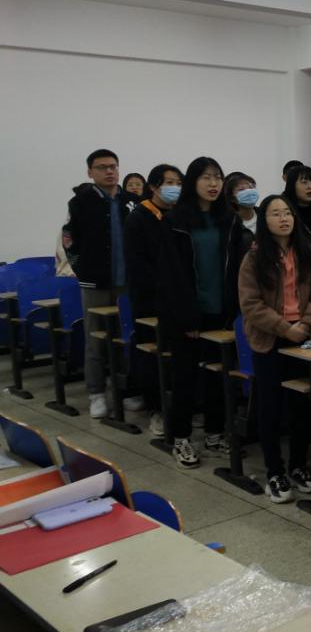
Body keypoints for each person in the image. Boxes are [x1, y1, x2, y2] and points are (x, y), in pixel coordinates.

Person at [238, 195, 311, 503]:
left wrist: (306, 323)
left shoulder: (309, 252)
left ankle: (298, 465)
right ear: (264, 220)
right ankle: (274, 471)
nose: (284, 219)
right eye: (276, 214)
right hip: (270, 338)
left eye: (288, 213)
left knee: (300, 404)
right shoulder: (254, 258)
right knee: (270, 406)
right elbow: (251, 304)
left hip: (304, 335)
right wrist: (284, 328)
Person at [155, 156, 245, 468]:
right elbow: (170, 276)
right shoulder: (174, 222)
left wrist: (234, 311)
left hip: (221, 312)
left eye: (218, 177)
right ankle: (180, 438)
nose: (213, 183)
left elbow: (237, 269)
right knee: (185, 377)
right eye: (206, 177)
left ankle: (214, 434)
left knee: (218, 377)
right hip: (187, 314)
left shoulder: (229, 220)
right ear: (192, 182)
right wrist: (186, 317)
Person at [65, 149, 142, 419]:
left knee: (126, 337)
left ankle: (126, 389)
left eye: (113, 166)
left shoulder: (132, 201)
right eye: (102, 167)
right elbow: (69, 241)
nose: (109, 171)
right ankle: (96, 393)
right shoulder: (80, 202)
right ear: (90, 172)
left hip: (127, 284)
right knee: (95, 339)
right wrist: (83, 271)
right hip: (95, 283)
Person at [123, 163, 183, 437]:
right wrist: (165, 285)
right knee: (151, 354)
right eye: (169, 183)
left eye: (178, 183)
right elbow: (138, 264)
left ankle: (182, 407)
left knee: (178, 356)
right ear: (154, 186)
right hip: (150, 298)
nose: (175, 188)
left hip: (180, 297)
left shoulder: (180, 216)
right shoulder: (138, 218)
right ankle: (155, 409)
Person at [224, 172, 260, 240]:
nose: (248, 192)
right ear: (232, 198)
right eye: (241, 190)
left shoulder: (265, 215)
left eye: (251, 187)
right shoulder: (229, 223)